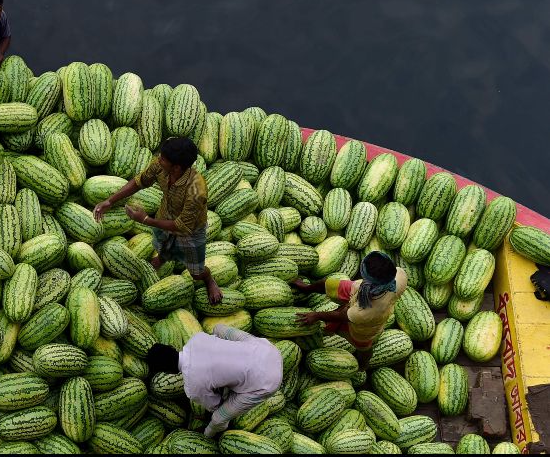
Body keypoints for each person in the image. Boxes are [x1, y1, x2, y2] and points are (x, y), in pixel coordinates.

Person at [94, 137, 223, 304]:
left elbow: (182, 226)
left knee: (195, 272)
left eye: (162, 158)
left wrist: (146, 219)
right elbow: (139, 182)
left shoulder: (197, 190)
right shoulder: (161, 165)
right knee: (163, 247)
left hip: (190, 230)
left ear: (176, 167)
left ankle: (209, 280)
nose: (158, 159)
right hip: (165, 216)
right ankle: (163, 258)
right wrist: (110, 201)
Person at [146, 324, 283, 438]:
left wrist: (210, 424)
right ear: (171, 347)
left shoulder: (193, 388)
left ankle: (208, 436)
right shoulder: (196, 338)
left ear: (168, 372)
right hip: (269, 350)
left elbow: (216, 405)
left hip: (269, 382)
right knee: (218, 328)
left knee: (218, 418)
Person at [294, 251, 407, 371]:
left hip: (365, 328)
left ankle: (363, 364)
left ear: (368, 280)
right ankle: (307, 288)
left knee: (363, 346)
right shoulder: (399, 275)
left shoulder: (364, 313)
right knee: (327, 284)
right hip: (357, 290)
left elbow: (339, 316)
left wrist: (316, 315)